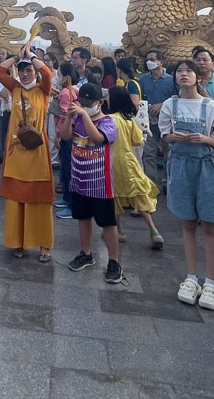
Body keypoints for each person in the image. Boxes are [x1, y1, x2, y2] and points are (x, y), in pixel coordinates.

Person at [161, 59, 214, 310]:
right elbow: (165, 136)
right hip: (181, 166)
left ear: (197, 77)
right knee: (187, 222)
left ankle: (211, 281)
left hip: (206, 166)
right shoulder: (170, 104)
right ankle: (191, 277)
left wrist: (204, 138)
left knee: (210, 224)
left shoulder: (209, 106)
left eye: (188, 71)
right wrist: (173, 137)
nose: (183, 75)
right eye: (179, 71)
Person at [0, 41, 54, 262]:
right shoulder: (15, 88)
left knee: (39, 200)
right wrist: (15, 55)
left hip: (37, 153)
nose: (26, 74)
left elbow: (47, 73)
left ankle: (43, 245)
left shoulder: (43, 90)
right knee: (16, 200)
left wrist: (30, 56)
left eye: (29, 71)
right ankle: (18, 242)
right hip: (16, 154)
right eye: (22, 71)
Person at [61, 83, 123, 282]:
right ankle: (85, 252)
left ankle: (113, 260)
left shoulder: (108, 122)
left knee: (107, 222)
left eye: (90, 103)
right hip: (79, 179)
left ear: (100, 103)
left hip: (100, 183)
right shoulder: (77, 118)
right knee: (82, 217)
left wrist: (85, 115)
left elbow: (97, 138)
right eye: (82, 103)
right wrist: (70, 117)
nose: (85, 106)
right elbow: (65, 136)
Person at [108, 86, 163, 249]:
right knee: (140, 195)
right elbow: (137, 141)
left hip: (111, 163)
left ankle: (119, 231)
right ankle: (154, 231)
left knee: (114, 198)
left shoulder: (108, 119)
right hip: (129, 162)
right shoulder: (129, 120)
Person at [138, 48, 176, 185]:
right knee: (148, 154)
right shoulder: (143, 79)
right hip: (149, 121)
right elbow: (139, 98)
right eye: (147, 59)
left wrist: (162, 105)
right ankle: (152, 183)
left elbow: (176, 98)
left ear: (161, 62)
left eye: (152, 59)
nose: (149, 62)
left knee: (168, 153)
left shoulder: (171, 80)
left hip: (167, 121)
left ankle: (167, 181)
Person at [52, 63, 81, 218]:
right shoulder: (74, 90)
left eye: (61, 75)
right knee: (65, 167)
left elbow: (64, 116)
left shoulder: (65, 92)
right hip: (74, 133)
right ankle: (66, 198)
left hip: (67, 134)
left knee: (68, 169)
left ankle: (71, 204)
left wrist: (58, 135)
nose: (59, 77)